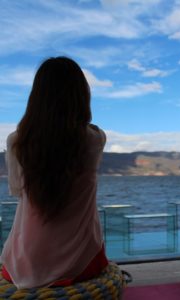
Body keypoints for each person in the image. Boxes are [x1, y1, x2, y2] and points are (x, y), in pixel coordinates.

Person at [1, 56, 108, 289]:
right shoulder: (95, 139)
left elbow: (17, 190)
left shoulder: (17, 142)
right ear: (81, 95)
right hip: (82, 261)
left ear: (36, 97)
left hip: (22, 263)